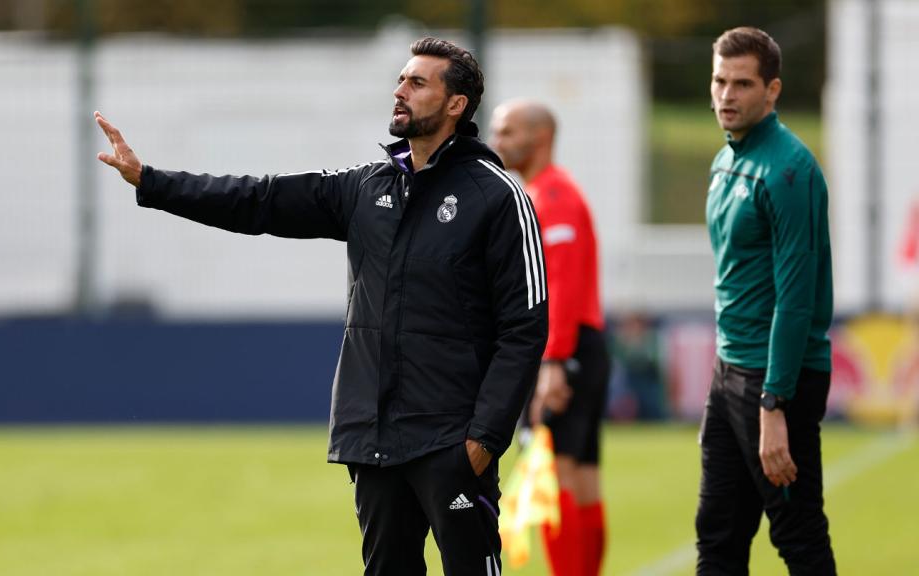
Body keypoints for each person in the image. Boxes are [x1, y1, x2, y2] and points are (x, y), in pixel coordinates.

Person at [96, 37, 548, 576]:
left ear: (456, 105)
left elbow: (524, 329)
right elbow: (258, 200)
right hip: (374, 440)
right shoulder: (365, 187)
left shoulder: (497, 196)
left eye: (417, 82)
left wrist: (482, 441)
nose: (399, 91)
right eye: (401, 79)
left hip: (451, 441)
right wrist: (152, 181)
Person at [697, 27, 836, 574]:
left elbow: (795, 298)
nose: (726, 95)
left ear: (772, 91)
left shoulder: (789, 169)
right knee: (717, 537)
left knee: (798, 537)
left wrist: (774, 403)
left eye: (743, 84)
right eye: (719, 81)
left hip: (777, 381)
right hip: (729, 369)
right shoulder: (724, 160)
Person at [490, 100, 609, 576]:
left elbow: (560, 285)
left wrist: (552, 363)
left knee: (553, 477)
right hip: (578, 347)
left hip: (563, 351)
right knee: (581, 479)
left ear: (539, 138)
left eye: (507, 132)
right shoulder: (549, 193)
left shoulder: (553, 197)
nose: (497, 141)